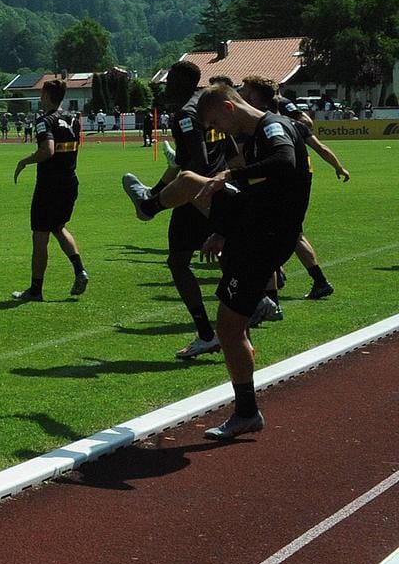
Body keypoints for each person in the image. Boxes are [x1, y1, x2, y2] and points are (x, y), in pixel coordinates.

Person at [124, 85, 309, 439]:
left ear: (229, 106)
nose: (219, 132)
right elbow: (263, 189)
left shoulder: (271, 127)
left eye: (216, 122)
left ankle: (247, 412)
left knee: (228, 327)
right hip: (254, 226)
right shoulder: (256, 135)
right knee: (192, 180)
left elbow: (284, 163)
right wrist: (222, 230)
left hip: (265, 237)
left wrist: (229, 175)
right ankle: (149, 205)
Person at [118, 61, 233, 359]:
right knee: (226, 252)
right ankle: (258, 300)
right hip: (218, 191)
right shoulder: (210, 105)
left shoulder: (186, 114)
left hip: (197, 195)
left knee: (179, 263)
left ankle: (207, 333)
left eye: (170, 81)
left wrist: (169, 195)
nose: (166, 87)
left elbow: (195, 162)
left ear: (180, 83)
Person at [240, 75, 345, 300]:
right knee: (293, 236)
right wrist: (338, 166)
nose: (240, 95)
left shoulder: (267, 127)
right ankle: (318, 281)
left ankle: (271, 300)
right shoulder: (294, 125)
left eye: (244, 91)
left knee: (265, 239)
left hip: (280, 192)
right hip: (295, 191)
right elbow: (320, 147)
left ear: (255, 97)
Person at [11, 79, 88, 301]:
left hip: (49, 185)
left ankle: (35, 290)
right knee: (58, 227)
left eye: (41, 95)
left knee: (40, 236)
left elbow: (48, 150)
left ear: (46, 96)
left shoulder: (45, 121)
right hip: (70, 181)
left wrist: (24, 161)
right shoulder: (73, 119)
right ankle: (79, 270)